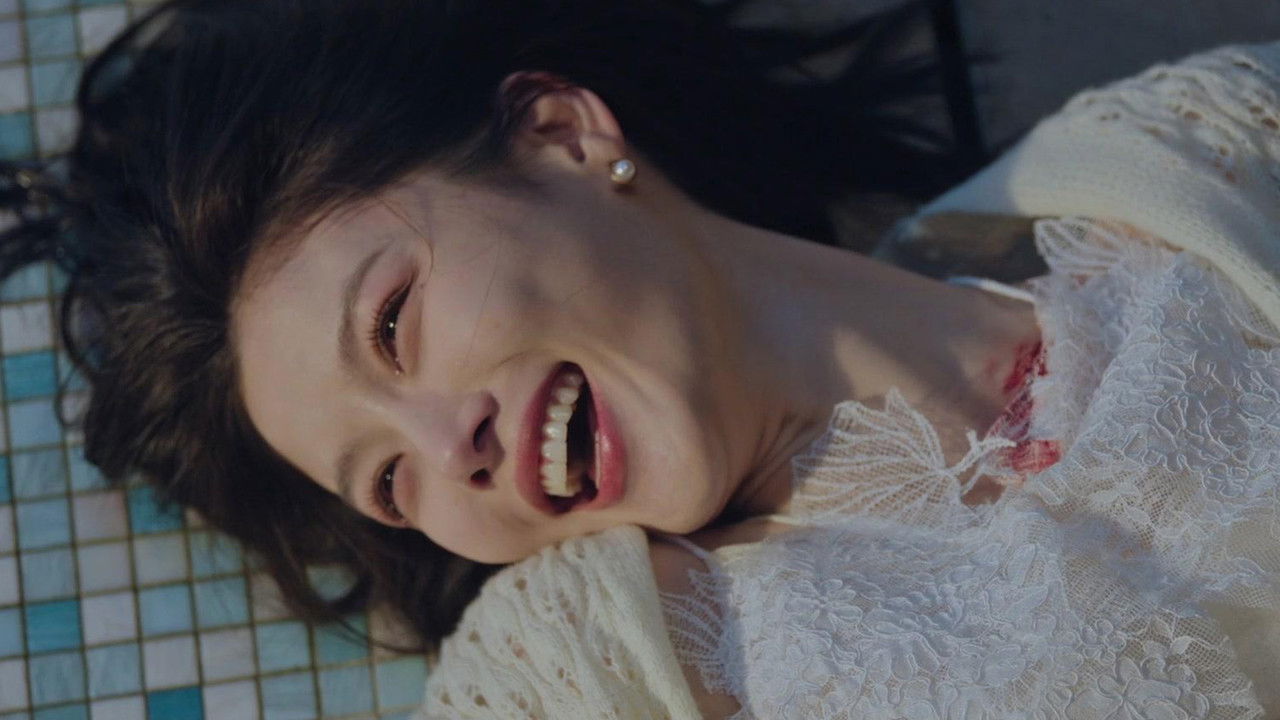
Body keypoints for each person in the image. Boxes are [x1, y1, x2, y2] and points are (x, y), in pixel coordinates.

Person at [2, 0, 1279, 718]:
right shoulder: (585, 682)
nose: (449, 449)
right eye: (387, 480)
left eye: (393, 324)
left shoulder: (1195, 159)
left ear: (562, 135)